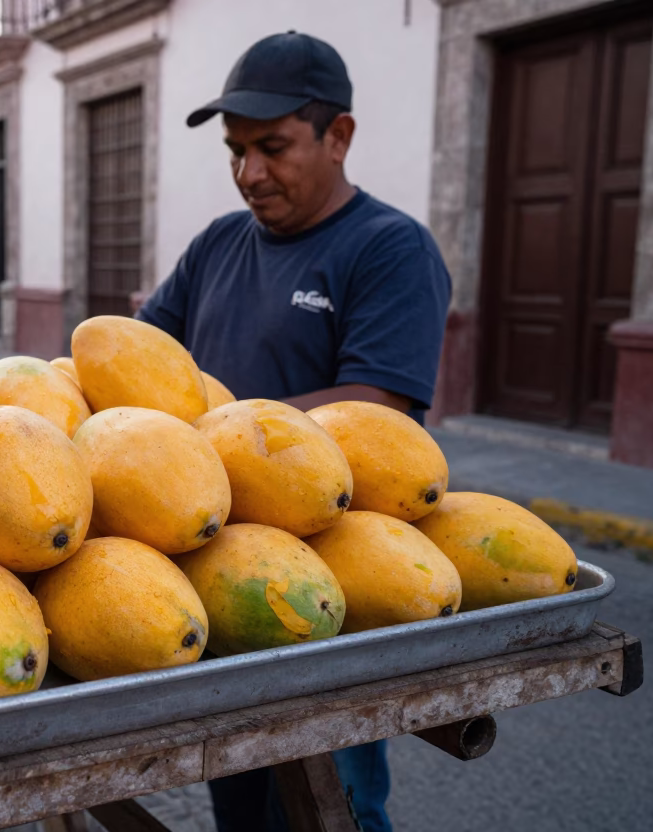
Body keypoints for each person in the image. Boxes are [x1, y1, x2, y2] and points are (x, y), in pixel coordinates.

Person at [137, 32, 451, 832]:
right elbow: (145, 359)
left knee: (327, 809)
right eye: (236, 151)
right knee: (237, 802)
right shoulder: (216, 244)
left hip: (326, 591)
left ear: (338, 136)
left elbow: (381, 403)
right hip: (215, 560)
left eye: (272, 148)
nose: (249, 174)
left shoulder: (388, 249)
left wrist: (207, 435)